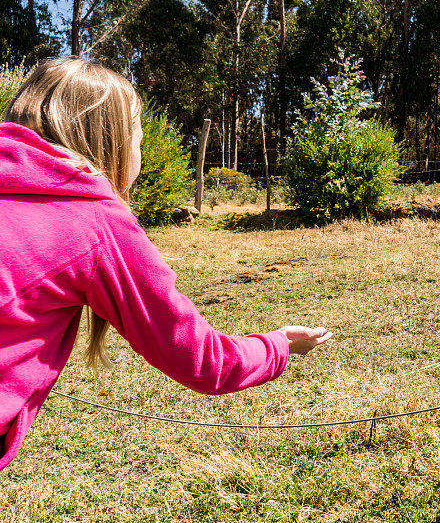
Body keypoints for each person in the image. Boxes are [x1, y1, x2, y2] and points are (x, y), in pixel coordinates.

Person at [0, 57, 332, 471]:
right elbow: (206, 361)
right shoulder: (92, 220)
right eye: (138, 133)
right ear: (113, 140)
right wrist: (279, 345)